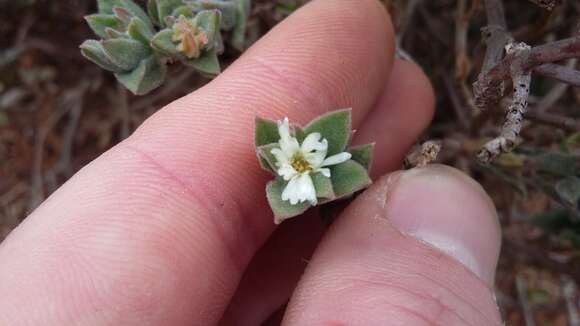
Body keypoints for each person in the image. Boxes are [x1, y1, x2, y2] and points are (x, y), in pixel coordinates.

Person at [0, 0, 502, 324]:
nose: (301, 165)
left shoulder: (302, 162)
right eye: (299, 162)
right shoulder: (295, 169)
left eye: (302, 162)